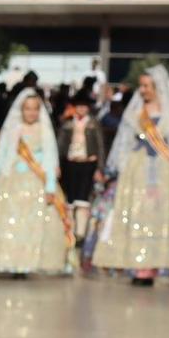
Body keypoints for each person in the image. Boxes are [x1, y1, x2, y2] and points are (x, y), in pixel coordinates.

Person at [81, 65, 169, 284]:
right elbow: (123, 143)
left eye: (146, 86)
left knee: (165, 216)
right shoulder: (136, 113)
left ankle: (161, 263)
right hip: (136, 171)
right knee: (136, 214)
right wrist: (112, 170)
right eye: (141, 86)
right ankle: (138, 265)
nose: (142, 90)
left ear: (157, 87)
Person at [0, 87, 76, 277]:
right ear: (21, 110)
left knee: (35, 224)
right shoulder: (13, 129)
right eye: (27, 108)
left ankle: (28, 262)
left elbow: (50, 157)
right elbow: (1, 155)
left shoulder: (43, 130)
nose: (31, 112)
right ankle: (9, 260)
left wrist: (50, 185)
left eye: (35, 108)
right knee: (7, 221)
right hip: (11, 179)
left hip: (36, 181)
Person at [57, 93, 105, 240]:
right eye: (79, 106)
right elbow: (60, 145)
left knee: (83, 195)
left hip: (88, 162)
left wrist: (99, 168)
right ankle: (70, 228)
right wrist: (57, 164)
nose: (81, 109)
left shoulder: (93, 124)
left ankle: (81, 231)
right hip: (71, 162)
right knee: (70, 196)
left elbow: (100, 146)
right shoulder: (68, 124)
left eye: (84, 106)